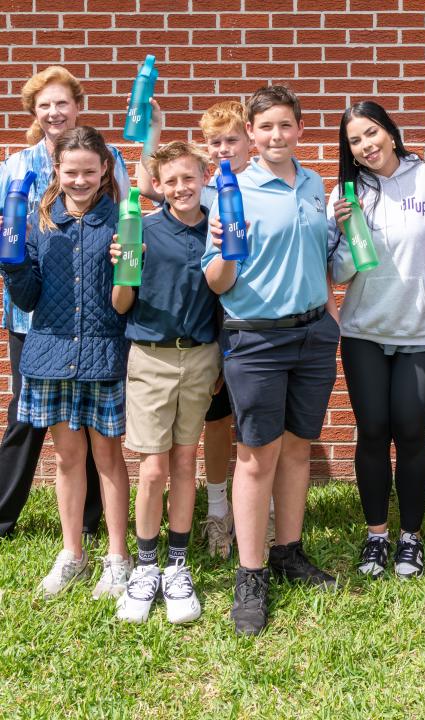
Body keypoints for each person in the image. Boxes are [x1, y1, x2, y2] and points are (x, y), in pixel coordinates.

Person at [202, 85, 340, 636]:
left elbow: (326, 260)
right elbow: (214, 280)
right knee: (257, 456)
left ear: (299, 129)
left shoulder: (313, 184)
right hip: (256, 337)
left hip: (312, 334)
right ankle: (250, 574)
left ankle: (288, 552)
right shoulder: (229, 188)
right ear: (251, 136)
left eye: (286, 126)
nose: (276, 136)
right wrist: (226, 249)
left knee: (299, 450)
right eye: (266, 128)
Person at [0, 127, 131, 600]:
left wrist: (129, 264)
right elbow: (30, 296)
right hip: (49, 357)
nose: (79, 180)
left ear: (104, 171)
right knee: (68, 459)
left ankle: (117, 557)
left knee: (109, 460)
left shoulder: (121, 222)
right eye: (70, 171)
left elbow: (125, 306)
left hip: (102, 357)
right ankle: (72, 553)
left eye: (88, 172)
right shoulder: (39, 223)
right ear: (56, 171)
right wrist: (12, 264)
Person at [134, 99, 264, 560]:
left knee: (252, 425)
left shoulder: (271, 184)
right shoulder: (204, 196)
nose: (225, 148)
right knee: (212, 423)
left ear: (251, 139)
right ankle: (216, 513)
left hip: (256, 326)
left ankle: (255, 513)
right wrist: (156, 130)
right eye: (215, 142)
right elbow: (153, 183)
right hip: (208, 330)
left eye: (233, 139)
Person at [328, 101, 425, 580]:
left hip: (419, 330)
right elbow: (337, 273)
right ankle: (377, 535)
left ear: (391, 132)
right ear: (351, 152)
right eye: (355, 141)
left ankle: (410, 539)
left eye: (372, 132)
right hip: (363, 331)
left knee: (412, 432)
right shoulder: (346, 190)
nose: (366, 145)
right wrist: (343, 232)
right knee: (373, 431)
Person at [112, 141, 220, 624]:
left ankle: (178, 566)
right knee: (153, 468)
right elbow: (119, 305)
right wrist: (124, 264)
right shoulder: (143, 230)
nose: (180, 188)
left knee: (184, 460)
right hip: (151, 358)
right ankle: (146, 565)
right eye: (170, 181)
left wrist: (220, 360)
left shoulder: (219, 231)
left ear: (205, 177)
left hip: (200, 357)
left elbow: (225, 298)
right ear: (157, 185)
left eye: (189, 178)